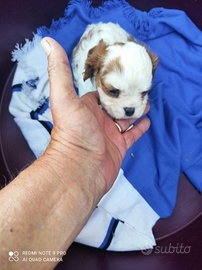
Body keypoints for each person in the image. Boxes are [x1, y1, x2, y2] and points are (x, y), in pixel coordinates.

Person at [0, 37, 150, 270]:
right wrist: (73, 157)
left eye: (143, 93)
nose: (130, 108)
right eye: (114, 91)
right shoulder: (90, 68)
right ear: (92, 71)